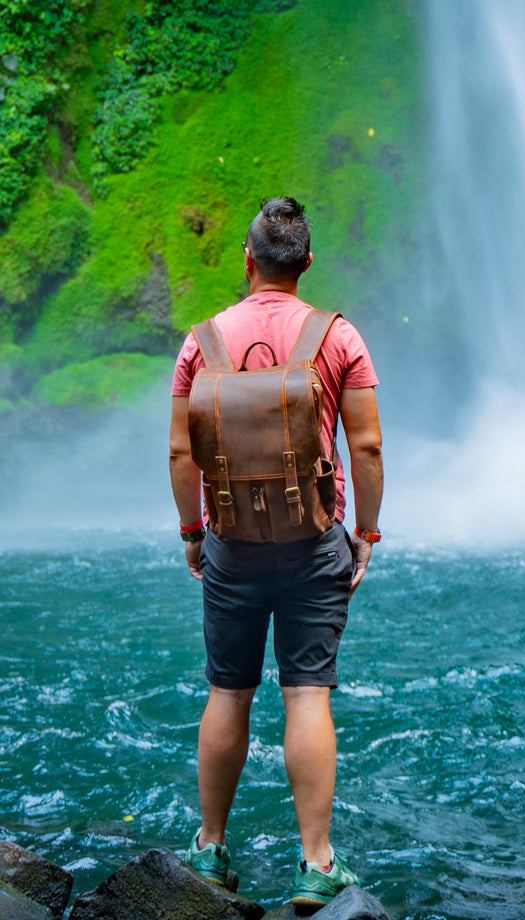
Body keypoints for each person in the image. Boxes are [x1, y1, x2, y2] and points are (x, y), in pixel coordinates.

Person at [167, 196, 383, 906]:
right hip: (314, 540)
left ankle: (210, 849)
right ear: (308, 263)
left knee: (228, 691)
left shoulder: (203, 340)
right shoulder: (338, 337)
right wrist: (367, 535)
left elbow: (180, 449)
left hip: (230, 543)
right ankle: (317, 864)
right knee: (307, 693)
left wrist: (194, 532)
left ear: (248, 258)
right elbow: (367, 446)